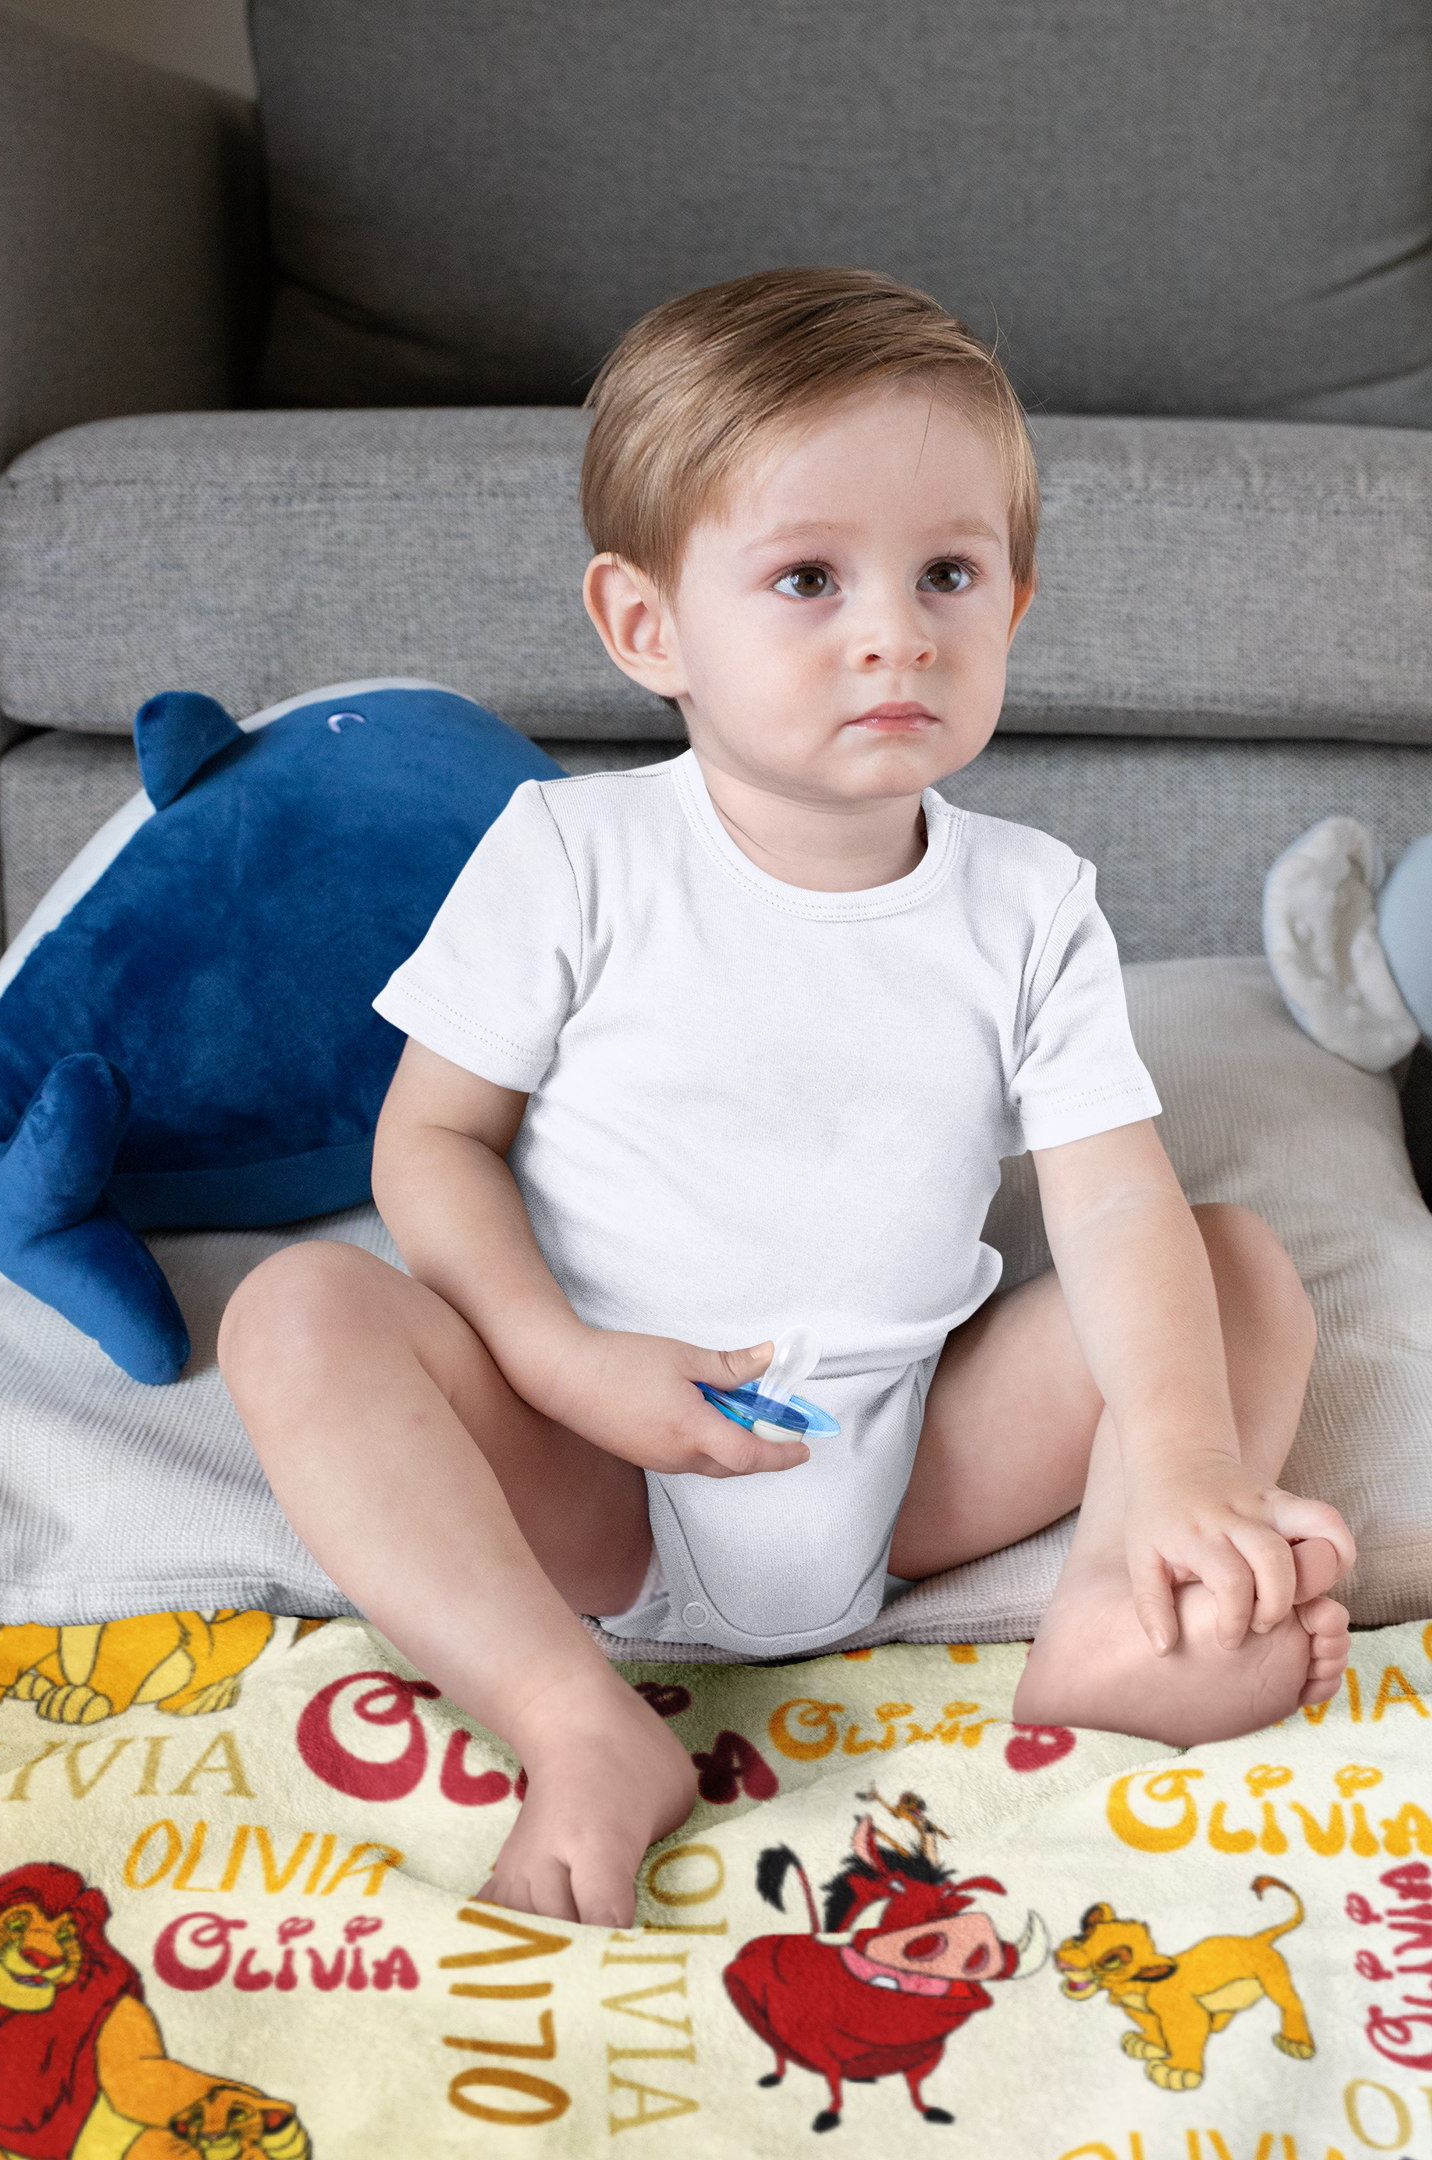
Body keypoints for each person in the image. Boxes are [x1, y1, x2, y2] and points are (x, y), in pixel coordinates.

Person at [219, 267, 1354, 1930]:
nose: (895, 628)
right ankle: (574, 1721)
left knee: (1228, 1260)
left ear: (1017, 607)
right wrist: (566, 1364)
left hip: (904, 1465)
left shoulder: (1031, 902)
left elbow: (1109, 1202)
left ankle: (1117, 1612)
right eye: (810, 578)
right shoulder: (573, 857)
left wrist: (1183, 1460)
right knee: (299, 1311)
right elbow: (434, 1142)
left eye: (948, 573)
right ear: (645, 625)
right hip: (598, 1468)